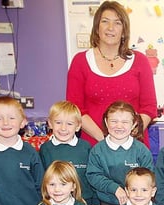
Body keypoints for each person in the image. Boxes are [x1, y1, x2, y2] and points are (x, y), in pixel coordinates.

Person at [66, 0, 157, 147]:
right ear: (97, 28)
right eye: (105, 21)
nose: (110, 28)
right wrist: (106, 140)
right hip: (94, 146)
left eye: (117, 23)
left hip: (133, 146)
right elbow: (75, 109)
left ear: (124, 31)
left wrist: (127, 138)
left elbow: (149, 107)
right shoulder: (80, 62)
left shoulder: (140, 61)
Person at [86, 101, 154, 205]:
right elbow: (93, 175)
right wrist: (115, 189)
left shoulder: (141, 150)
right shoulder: (98, 150)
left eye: (124, 122)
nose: (119, 126)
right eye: (114, 121)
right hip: (109, 203)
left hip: (138, 203)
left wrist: (135, 193)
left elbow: (149, 177)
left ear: (134, 124)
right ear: (106, 121)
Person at [39, 100, 99, 205]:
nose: (63, 128)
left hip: (84, 201)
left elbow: (93, 175)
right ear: (50, 123)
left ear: (78, 126)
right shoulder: (46, 149)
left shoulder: (86, 147)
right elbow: (42, 178)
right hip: (56, 202)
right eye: (58, 122)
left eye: (69, 124)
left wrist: (96, 201)